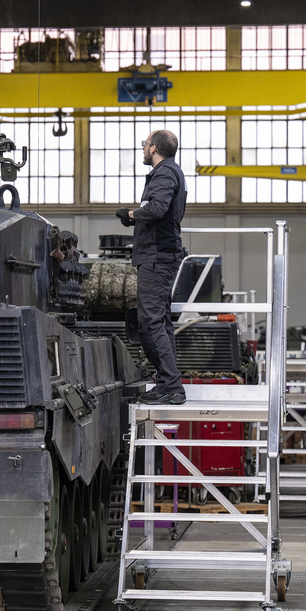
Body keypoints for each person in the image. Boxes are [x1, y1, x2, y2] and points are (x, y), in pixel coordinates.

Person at [115, 129, 187, 405]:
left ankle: (171, 386)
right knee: (160, 322)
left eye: (144, 144)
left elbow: (157, 208)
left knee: (150, 322)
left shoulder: (165, 173)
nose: (143, 148)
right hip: (159, 254)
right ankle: (168, 382)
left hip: (157, 256)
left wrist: (130, 214)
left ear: (154, 148)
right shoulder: (170, 172)